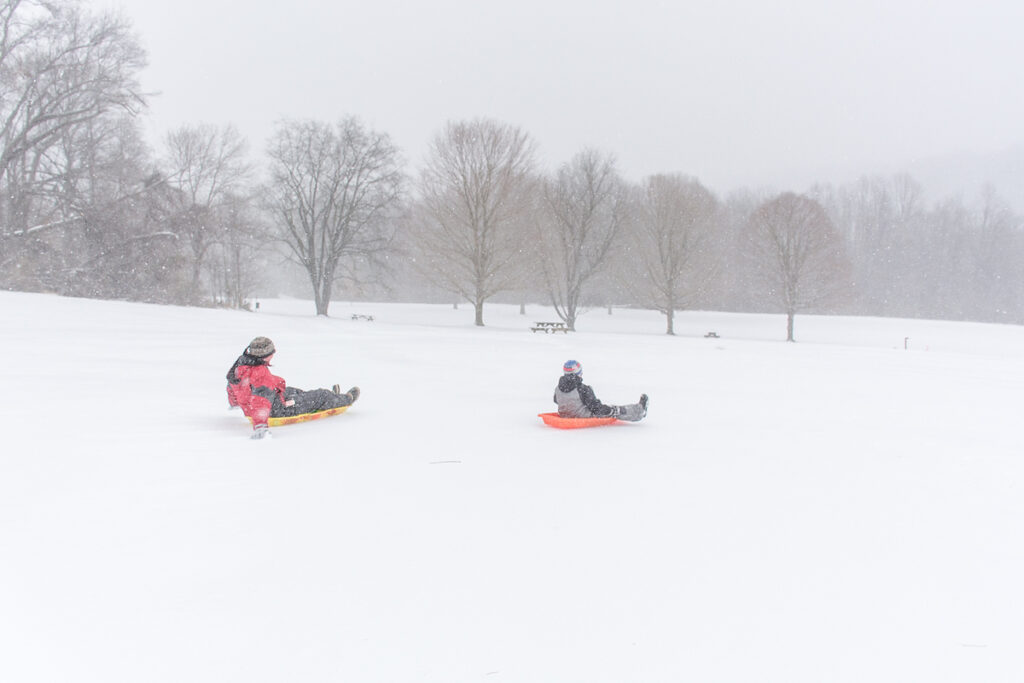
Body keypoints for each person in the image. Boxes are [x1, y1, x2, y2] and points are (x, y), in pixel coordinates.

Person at [226, 336, 360, 439]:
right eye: (272, 352)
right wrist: (260, 426)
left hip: (262, 403)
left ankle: (331, 397)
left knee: (295, 391)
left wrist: (235, 404)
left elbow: (232, 387)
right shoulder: (261, 374)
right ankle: (343, 399)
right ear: (265, 355)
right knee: (320, 396)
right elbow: (261, 400)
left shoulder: (240, 364)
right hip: (276, 410)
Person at [553, 359, 648, 422]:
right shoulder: (583, 389)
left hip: (565, 416)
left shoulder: (558, 388)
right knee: (616, 411)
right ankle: (639, 411)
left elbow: (556, 401)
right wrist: (610, 410)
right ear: (579, 373)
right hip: (583, 417)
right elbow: (596, 408)